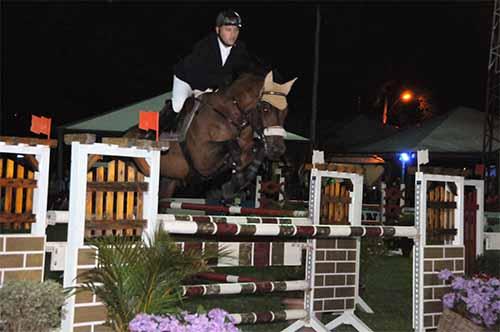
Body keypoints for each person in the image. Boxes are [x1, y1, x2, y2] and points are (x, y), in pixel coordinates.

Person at [161, 10, 255, 133]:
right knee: (179, 105)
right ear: (218, 30)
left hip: (211, 85)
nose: (233, 34)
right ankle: (158, 129)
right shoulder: (204, 46)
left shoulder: (240, 49)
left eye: (236, 30)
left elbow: (244, 71)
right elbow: (199, 76)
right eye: (228, 30)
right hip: (187, 80)